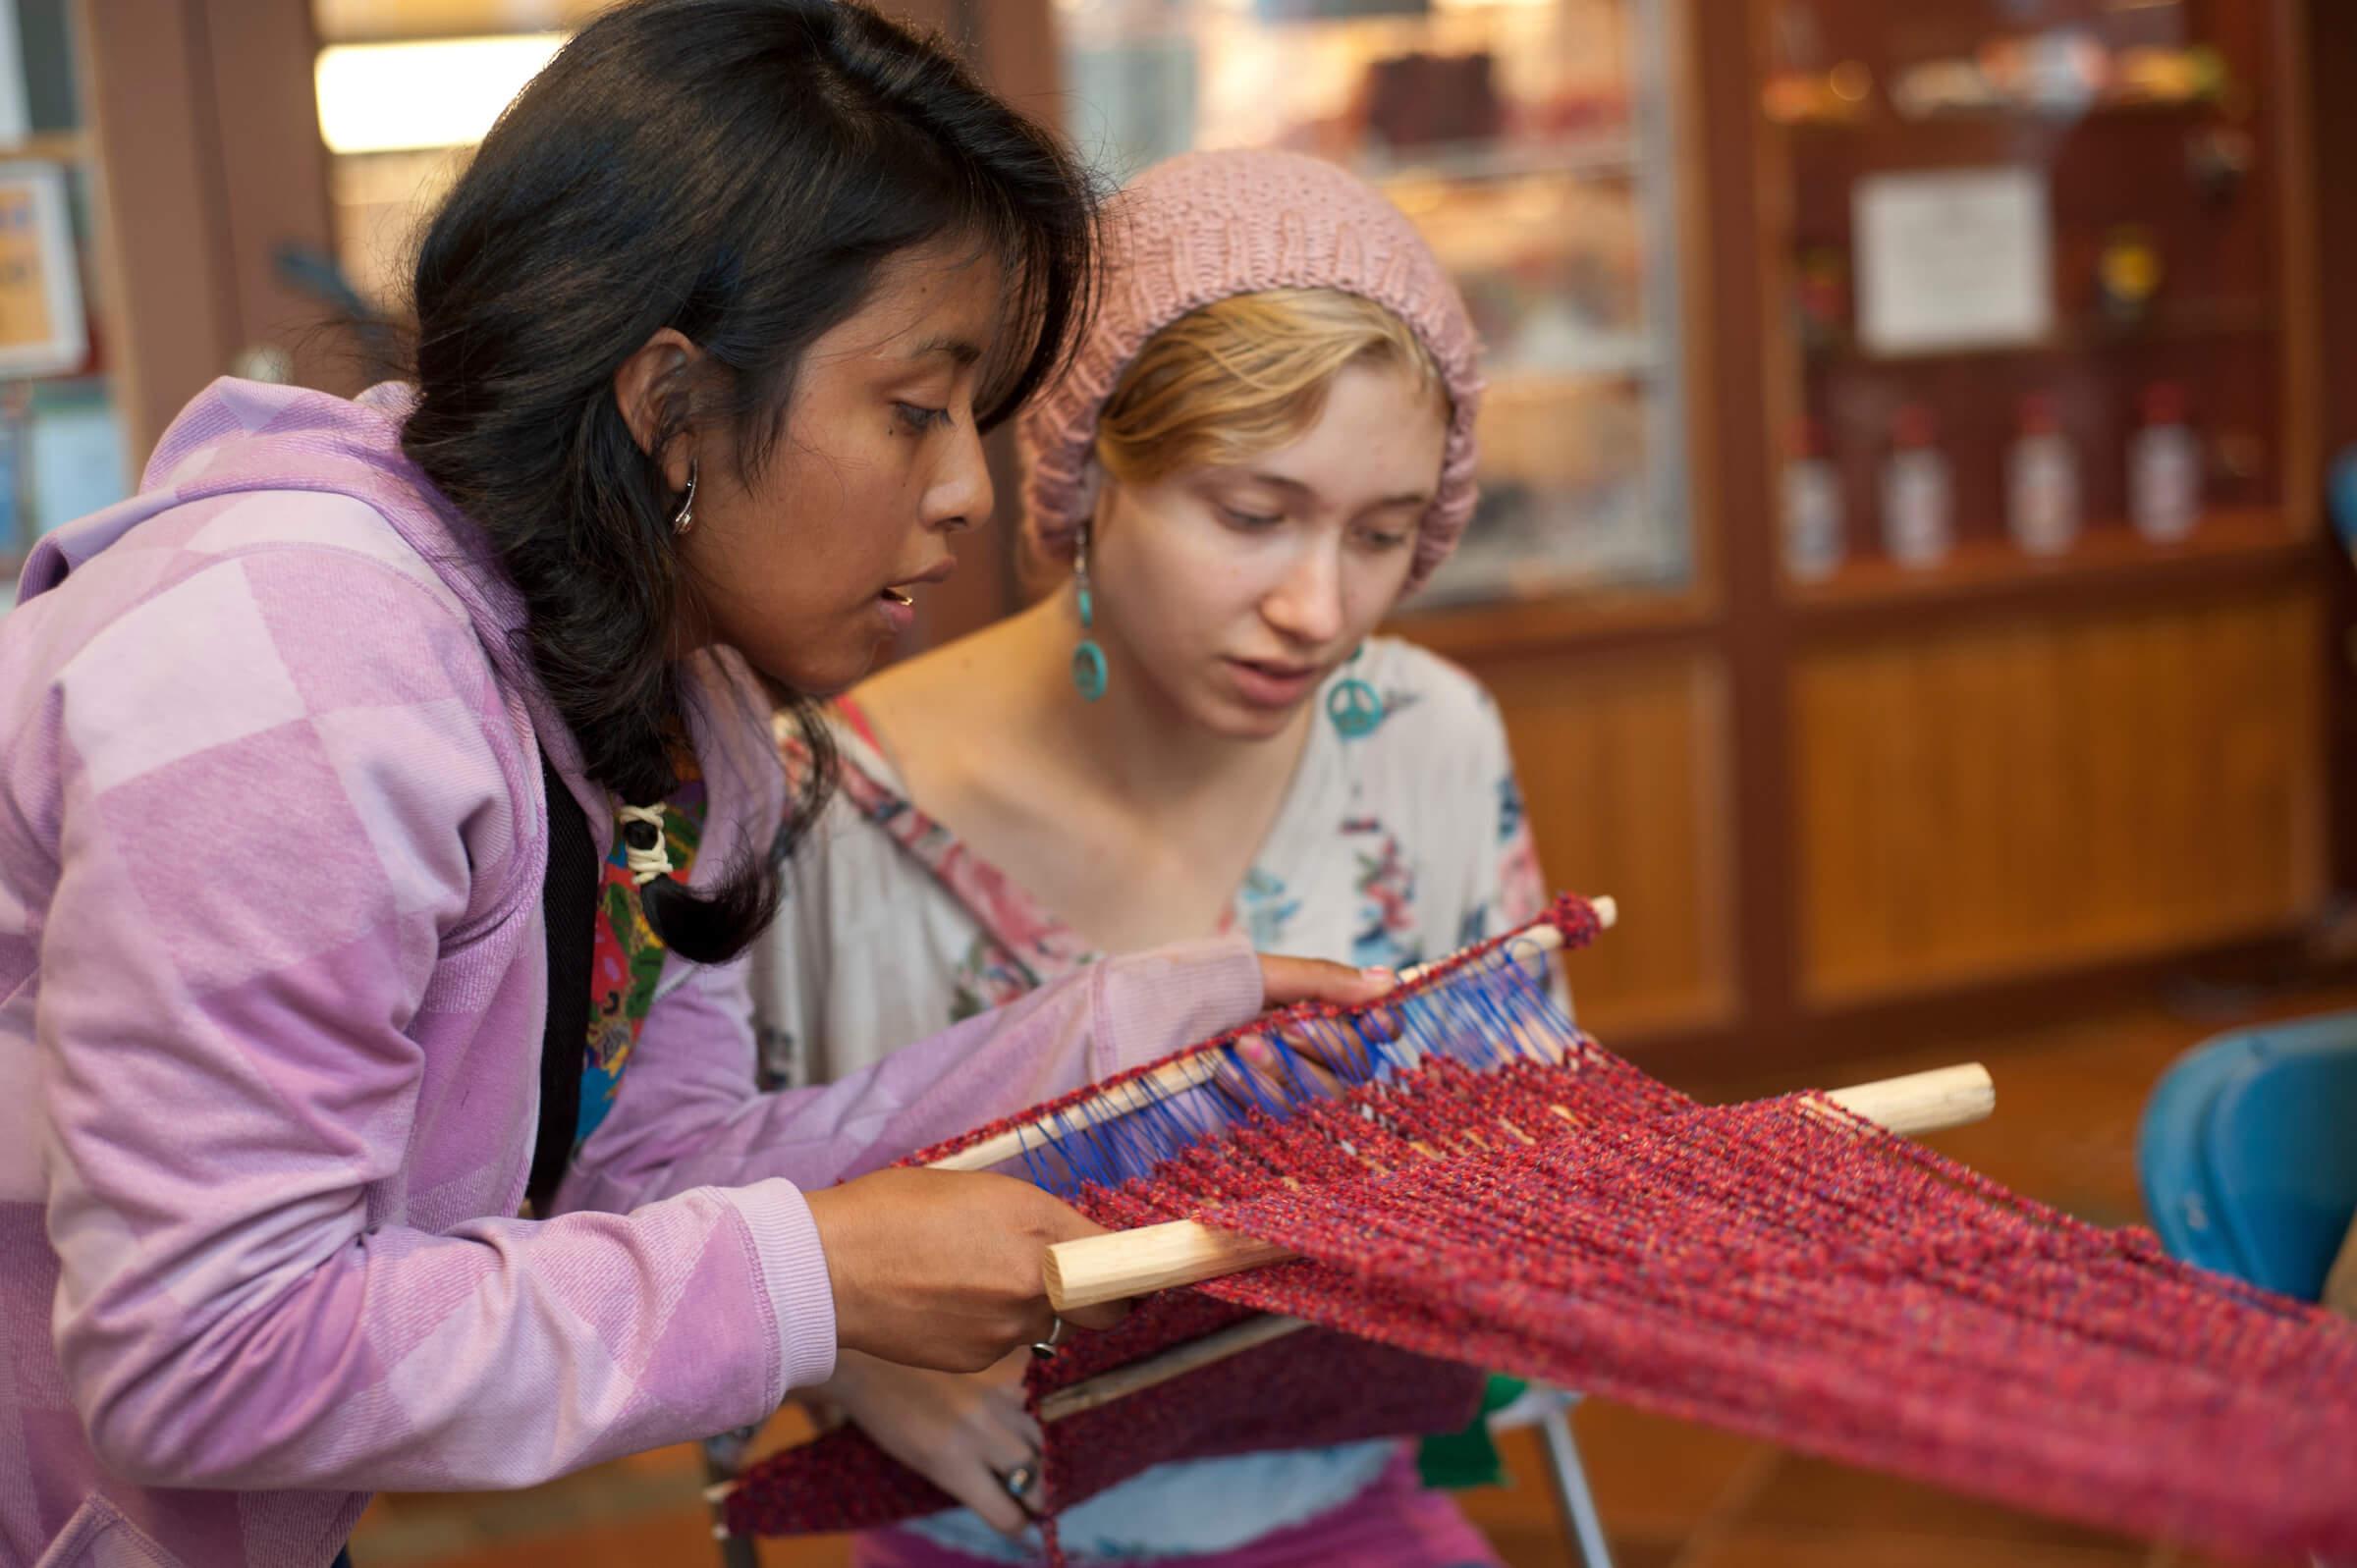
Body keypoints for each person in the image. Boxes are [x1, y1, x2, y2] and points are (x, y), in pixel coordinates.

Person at [0, 16, 1386, 1566]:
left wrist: (1147, 1038)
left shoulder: (679, 718)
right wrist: (817, 1281)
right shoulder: (293, 675)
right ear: (670, 404)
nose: (967, 493)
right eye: (915, 409)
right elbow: (204, 1358)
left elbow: (657, 1171)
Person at [753, 148, 1550, 1568]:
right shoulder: (828, 798)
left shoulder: (1430, 737)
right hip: (976, 1534)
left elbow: (1536, 1148)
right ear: (1090, 466)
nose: (1318, 608)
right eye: (1251, 515)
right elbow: (671, 1204)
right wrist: (859, 1367)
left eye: (1381, 534)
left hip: (1337, 1510)